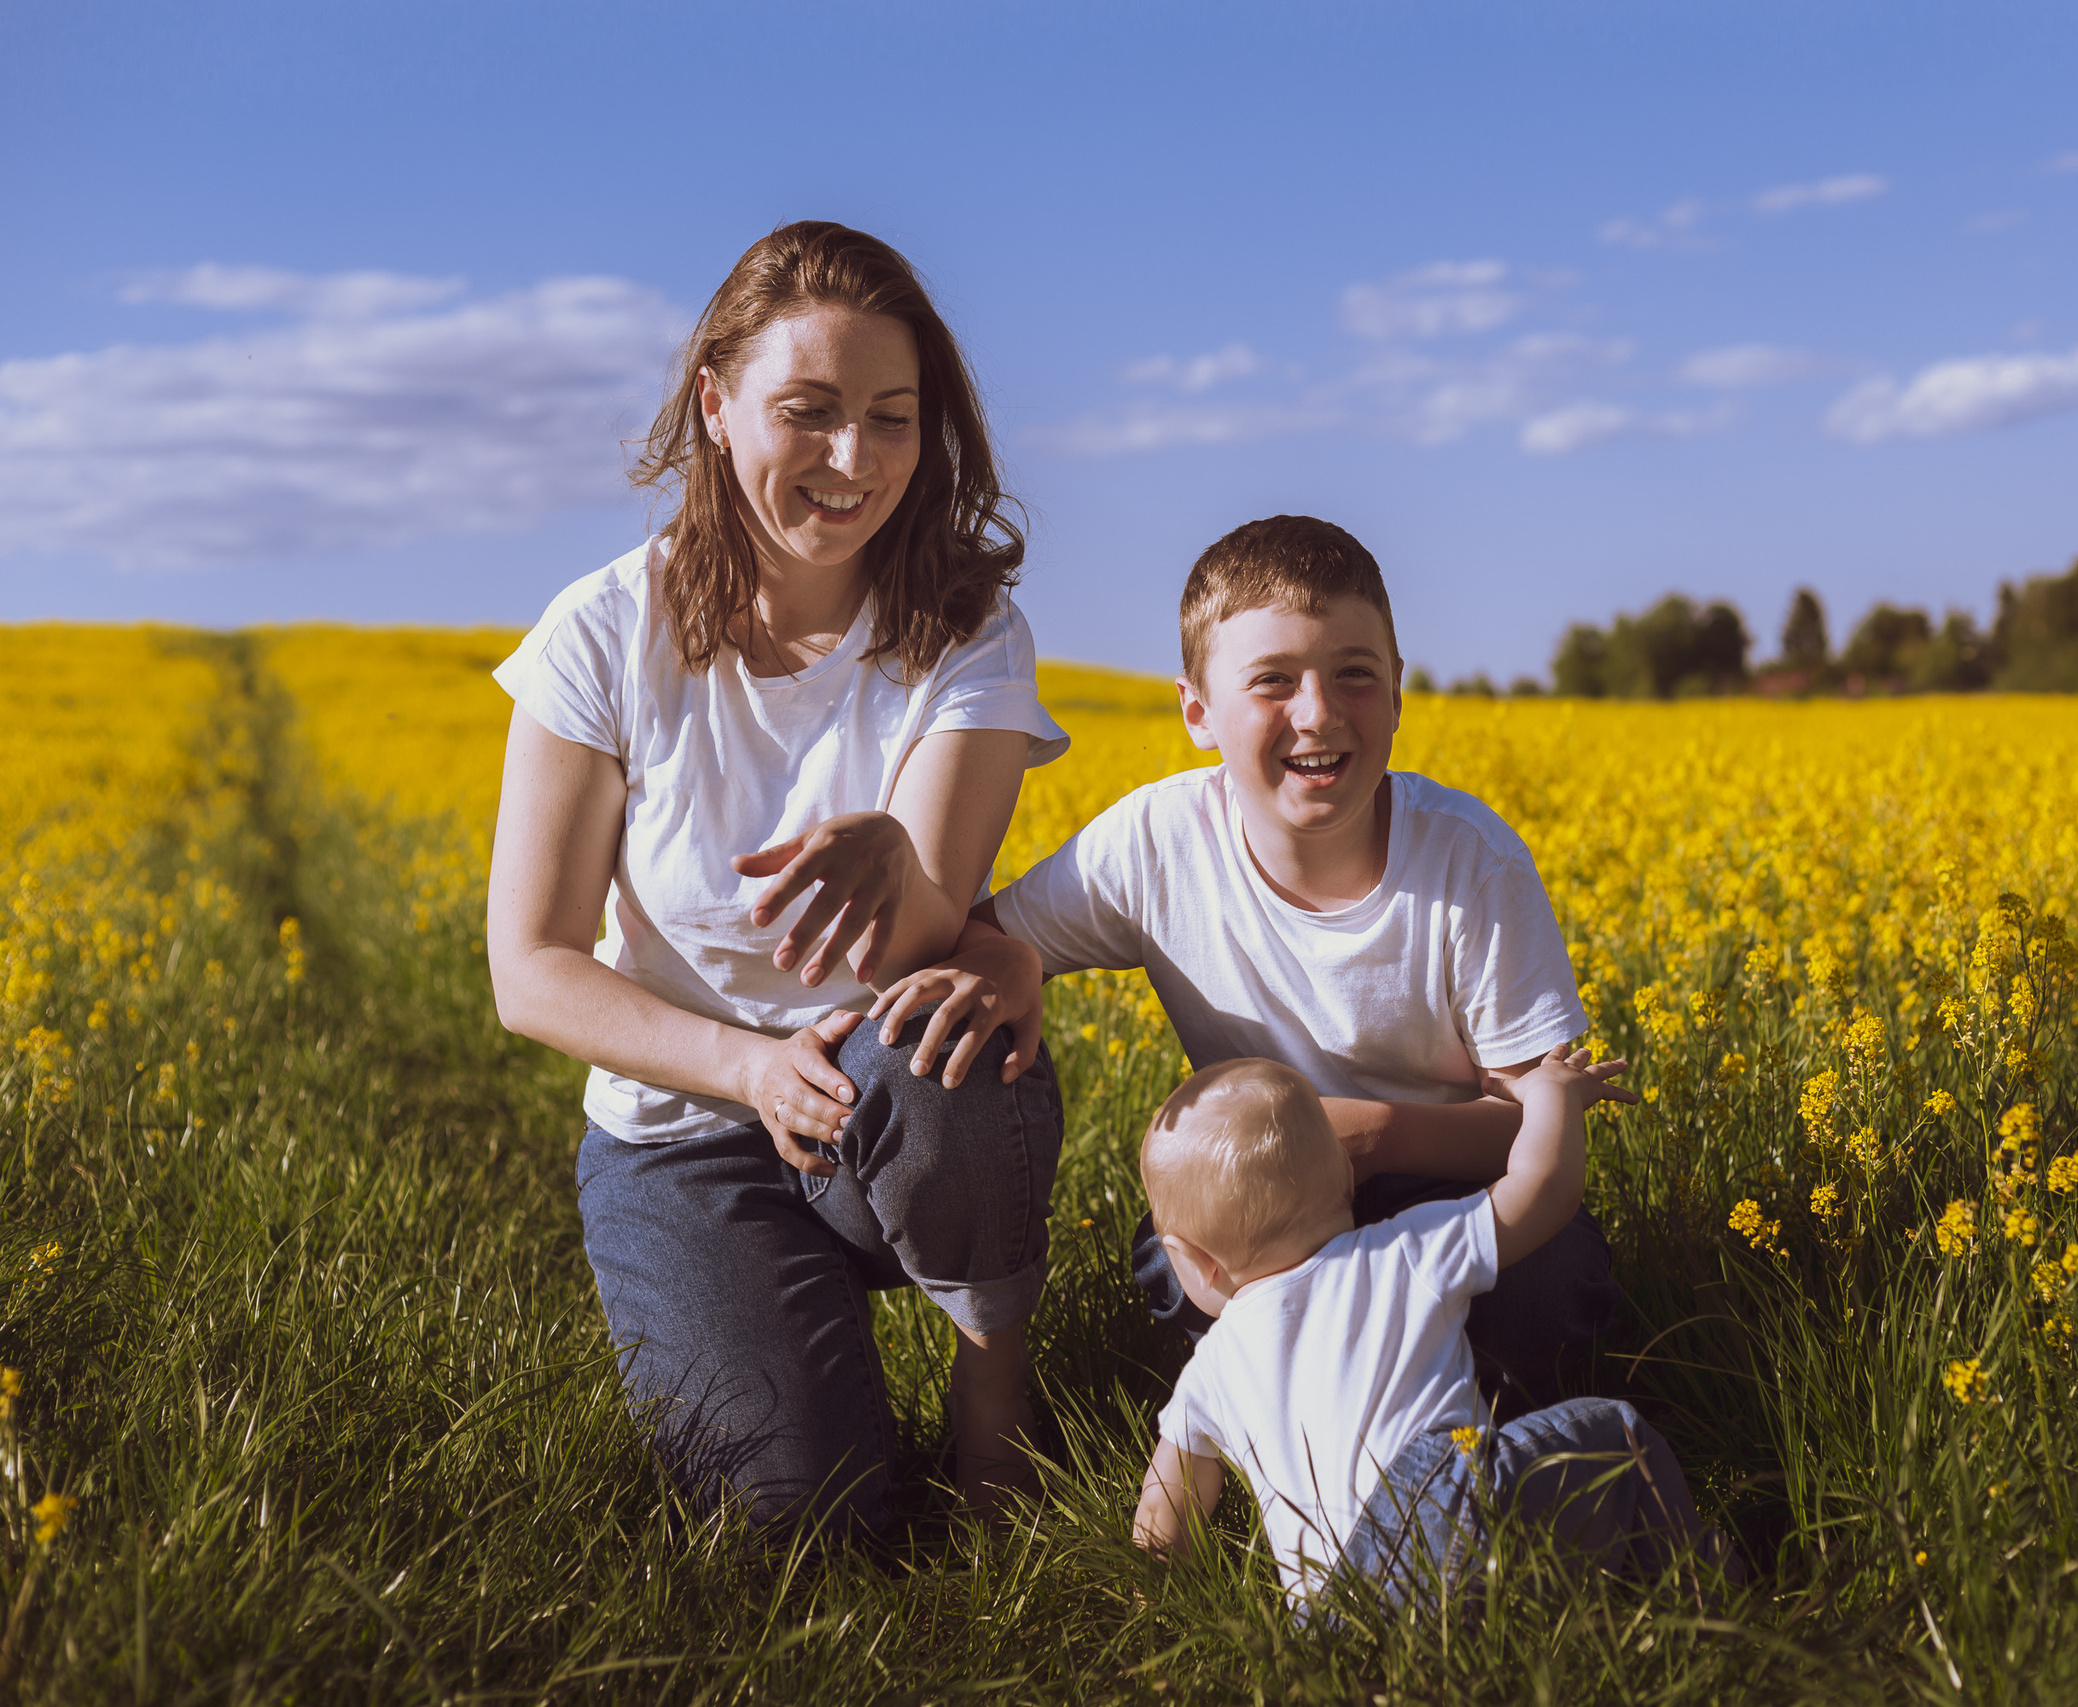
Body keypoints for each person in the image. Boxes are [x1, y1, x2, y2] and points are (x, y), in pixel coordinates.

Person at [485, 221, 1065, 1535]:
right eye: (808, 411)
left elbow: (927, 932)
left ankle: (994, 1382)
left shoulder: (968, 631)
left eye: (891, 418)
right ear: (716, 404)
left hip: (885, 1097)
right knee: (801, 1525)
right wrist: (747, 1068)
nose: (854, 458)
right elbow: (532, 969)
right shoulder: (601, 634)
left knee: (944, 1038)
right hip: (683, 1136)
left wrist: (903, 871)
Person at [969, 515, 1619, 1402]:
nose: (1318, 712)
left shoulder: (1471, 860)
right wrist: (1008, 960)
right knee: (1172, 1257)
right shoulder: (1158, 842)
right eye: (1273, 680)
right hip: (1271, 1199)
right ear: (1197, 712)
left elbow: (1532, 1122)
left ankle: (1376, 1411)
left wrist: (1374, 1134)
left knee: (1551, 1294)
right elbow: (983, 939)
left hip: (1457, 1192)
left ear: (1397, 692)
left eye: (1355, 674)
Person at [1127, 1051, 1705, 1607]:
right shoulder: (1402, 1251)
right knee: (1620, 1436)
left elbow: (1162, 1522)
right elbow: (1547, 1188)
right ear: (1348, 1179)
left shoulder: (1210, 1369)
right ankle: (1706, 1612)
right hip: (1441, 1516)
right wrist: (1550, 1093)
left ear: (1192, 1260)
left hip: (1330, 1614)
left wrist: (1150, 1606)